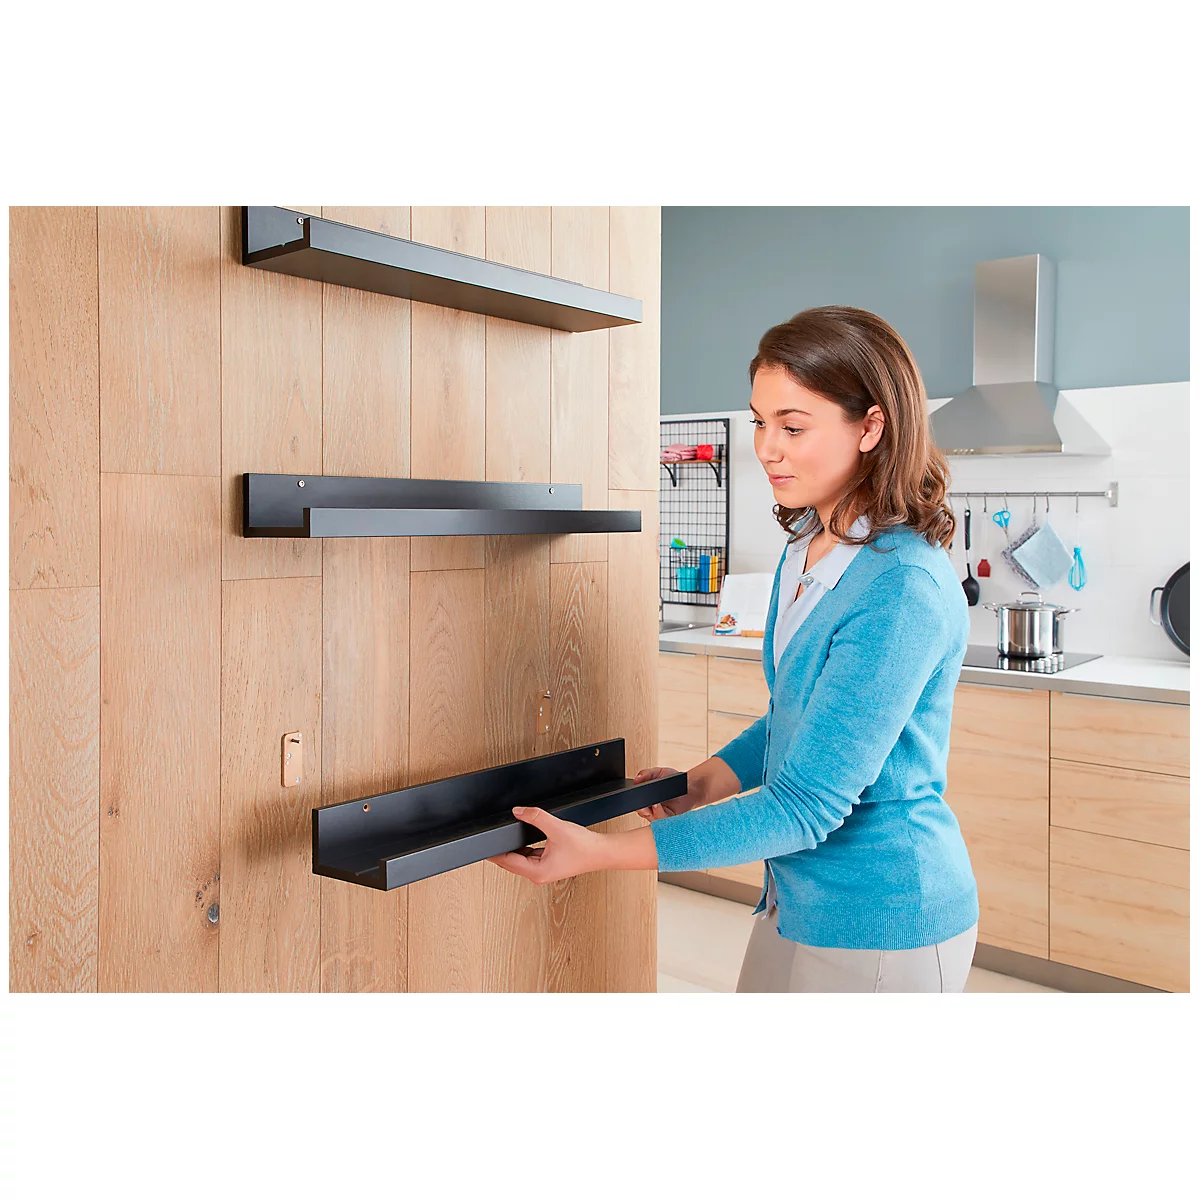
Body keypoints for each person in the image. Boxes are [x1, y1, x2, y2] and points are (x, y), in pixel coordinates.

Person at [489, 306, 979, 993]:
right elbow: (796, 719)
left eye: (793, 427)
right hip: (794, 898)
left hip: (885, 919)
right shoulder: (809, 546)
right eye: (759, 422)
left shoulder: (900, 590)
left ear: (871, 426)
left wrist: (600, 853)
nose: (767, 448)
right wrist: (701, 783)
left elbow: (806, 804)